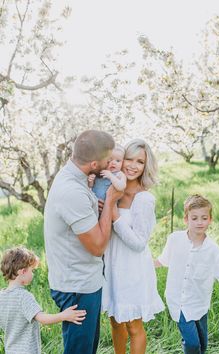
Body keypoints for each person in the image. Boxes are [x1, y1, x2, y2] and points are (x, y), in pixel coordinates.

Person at [44, 130, 123, 354]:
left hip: (82, 280)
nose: (111, 165)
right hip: (77, 286)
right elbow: (97, 247)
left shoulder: (74, 177)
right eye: (108, 161)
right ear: (94, 163)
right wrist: (109, 202)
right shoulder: (71, 191)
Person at [102, 138, 165, 354]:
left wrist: (114, 213)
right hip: (111, 264)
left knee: (133, 325)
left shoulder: (144, 199)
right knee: (115, 321)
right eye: (128, 158)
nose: (132, 165)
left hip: (133, 269)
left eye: (139, 162)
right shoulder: (110, 189)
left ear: (145, 166)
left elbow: (139, 243)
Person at [155, 194, 219, 354]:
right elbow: (162, 261)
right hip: (178, 303)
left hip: (200, 303)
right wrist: (140, 265)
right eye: (194, 218)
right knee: (192, 344)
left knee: (202, 344)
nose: (199, 222)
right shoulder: (174, 239)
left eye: (204, 218)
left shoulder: (213, 250)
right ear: (186, 219)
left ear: (210, 220)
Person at [0, 246, 86, 354]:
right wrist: (64, 315)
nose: (33, 274)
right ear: (22, 272)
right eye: (32, 271)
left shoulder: (2, 296)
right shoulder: (23, 297)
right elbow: (43, 319)